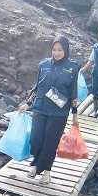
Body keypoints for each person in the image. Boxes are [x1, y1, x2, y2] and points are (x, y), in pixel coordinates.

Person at [17, 36, 80, 185]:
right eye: (54, 49)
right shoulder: (43, 64)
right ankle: (37, 163)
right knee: (36, 140)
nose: (56, 53)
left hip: (59, 113)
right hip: (40, 108)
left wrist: (75, 114)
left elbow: (74, 92)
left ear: (66, 50)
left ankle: (45, 172)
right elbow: (37, 86)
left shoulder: (73, 67)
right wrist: (28, 103)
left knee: (50, 144)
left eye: (60, 50)